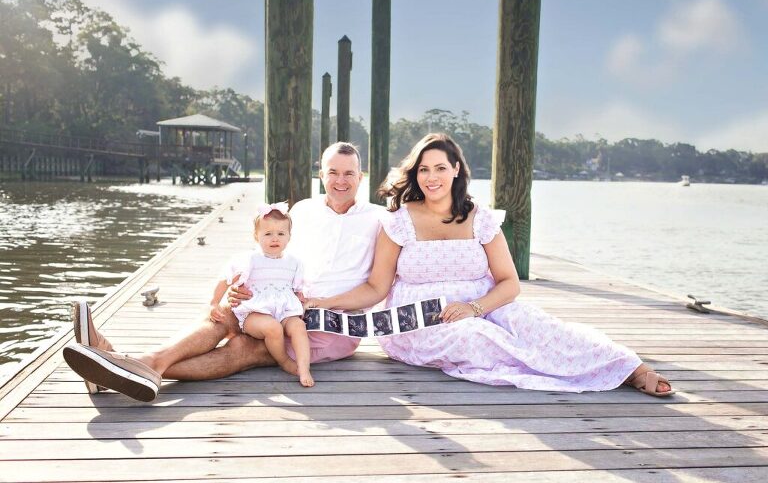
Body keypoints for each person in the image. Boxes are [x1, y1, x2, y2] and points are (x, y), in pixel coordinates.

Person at [306, 133, 674, 397]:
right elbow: (376, 289)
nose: (430, 177)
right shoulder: (398, 221)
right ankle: (586, 372)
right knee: (480, 338)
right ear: (415, 174)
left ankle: (625, 367)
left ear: (455, 171)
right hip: (419, 322)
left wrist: (474, 307)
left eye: (439, 168)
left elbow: (509, 283)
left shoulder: (479, 218)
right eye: (423, 169)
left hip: (483, 305)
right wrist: (323, 304)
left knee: (541, 327)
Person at [63, 142, 384, 402]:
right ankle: (137, 366)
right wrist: (240, 289)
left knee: (245, 349)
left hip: (332, 323)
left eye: (349, 174)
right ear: (321, 174)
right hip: (280, 299)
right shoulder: (303, 210)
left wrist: (321, 302)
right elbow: (278, 257)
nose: (340, 181)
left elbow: (376, 288)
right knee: (221, 315)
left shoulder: (378, 219)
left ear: (361, 175)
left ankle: (122, 364)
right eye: (333, 173)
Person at [211, 202, 312, 387]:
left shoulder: (294, 262)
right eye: (268, 234)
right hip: (255, 311)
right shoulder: (250, 260)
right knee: (272, 328)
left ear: (289, 236)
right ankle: (283, 361)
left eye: (281, 234)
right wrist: (214, 303)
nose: (275, 239)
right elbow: (225, 279)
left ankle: (304, 368)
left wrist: (301, 296)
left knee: (298, 326)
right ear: (256, 236)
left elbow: (298, 288)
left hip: (284, 309)